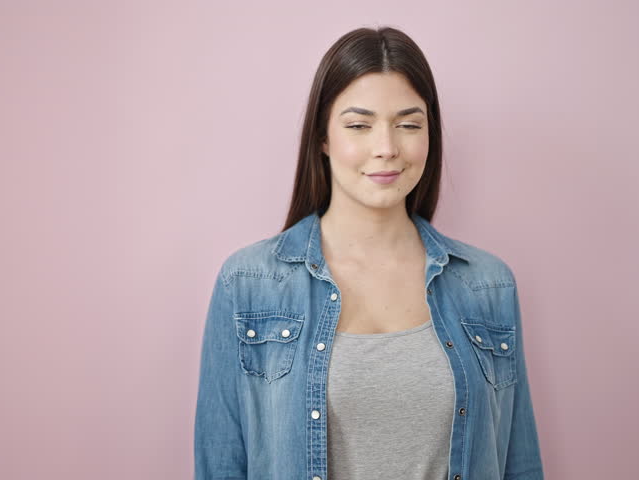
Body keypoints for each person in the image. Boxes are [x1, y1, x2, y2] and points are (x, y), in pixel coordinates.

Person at [193, 26, 544, 480]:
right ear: (323, 137)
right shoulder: (249, 285)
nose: (387, 148)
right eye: (359, 125)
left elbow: (520, 464)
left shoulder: (487, 285)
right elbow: (219, 465)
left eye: (409, 124)